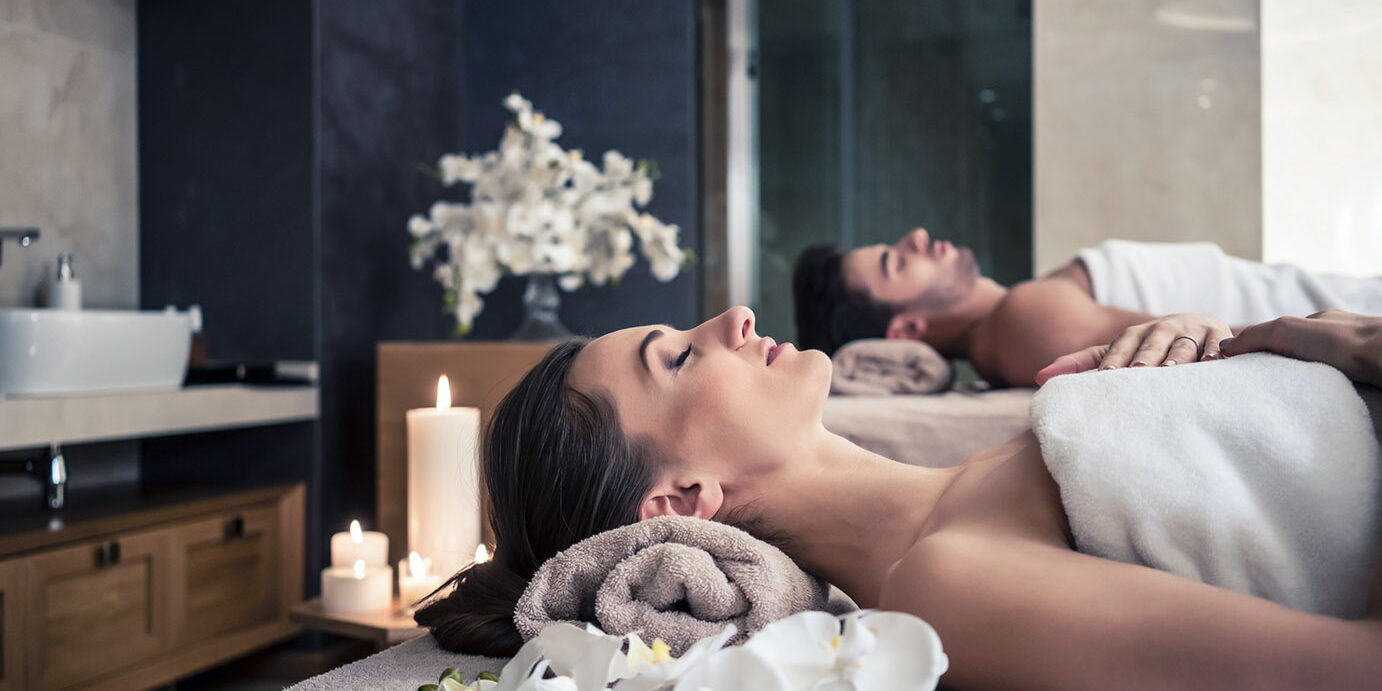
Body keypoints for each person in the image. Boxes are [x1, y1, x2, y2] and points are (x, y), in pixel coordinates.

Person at [416, 306, 1382, 688]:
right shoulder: (946, 579)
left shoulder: (1002, 465)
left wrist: (1284, 344)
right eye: (677, 355)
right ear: (679, 501)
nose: (732, 317)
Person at [793, 229, 1382, 387]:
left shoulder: (1028, 307)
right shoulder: (1026, 322)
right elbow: (1202, 350)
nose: (918, 236)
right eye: (897, 262)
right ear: (908, 329)